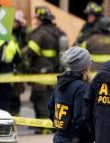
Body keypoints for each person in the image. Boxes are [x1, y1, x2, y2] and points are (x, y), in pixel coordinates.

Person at [26, 6, 67, 134]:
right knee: (54, 99)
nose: (36, 21)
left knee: (41, 99)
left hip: (41, 73)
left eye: (37, 18)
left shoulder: (39, 33)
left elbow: (30, 52)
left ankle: (44, 127)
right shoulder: (59, 32)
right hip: (56, 73)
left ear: (41, 19)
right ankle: (53, 125)